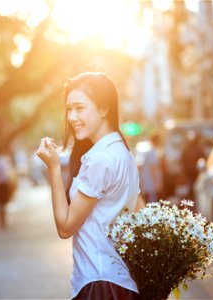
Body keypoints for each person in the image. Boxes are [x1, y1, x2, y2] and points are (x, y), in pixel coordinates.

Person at [36, 72, 144, 300]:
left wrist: (54, 168)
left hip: (100, 283)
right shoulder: (123, 153)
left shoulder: (99, 160)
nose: (72, 116)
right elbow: (139, 212)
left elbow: (65, 227)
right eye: (68, 109)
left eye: (79, 107)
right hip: (122, 282)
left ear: (104, 109)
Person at [139, 134, 163, 203]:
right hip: (151, 182)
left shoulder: (149, 151)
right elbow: (153, 168)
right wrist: (156, 183)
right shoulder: (152, 152)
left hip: (148, 181)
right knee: (152, 201)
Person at [181, 131, 205, 200]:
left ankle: (190, 198)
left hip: (191, 171)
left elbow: (182, 159)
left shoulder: (186, 148)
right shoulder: (198, 148)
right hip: (194, 171)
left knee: (192, 186)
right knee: (193, 186)